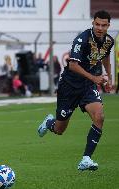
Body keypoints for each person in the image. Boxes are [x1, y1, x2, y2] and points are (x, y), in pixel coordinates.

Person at [37, 10, 114, 171]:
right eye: (97, 24)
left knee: (99, 116)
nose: (100, 28)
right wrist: (95, 78)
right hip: (69, 86)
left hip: (87, 86)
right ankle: (49, 122)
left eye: (104, 25)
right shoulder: (82, 39)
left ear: (108, 25)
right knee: (59, 129)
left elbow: (105, 56)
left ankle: (86, 159)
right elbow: (73, 65)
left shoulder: (108, 41)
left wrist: (109, 76)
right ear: (93, 23)